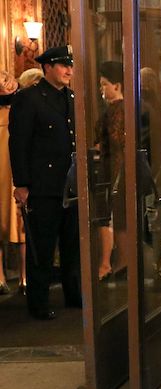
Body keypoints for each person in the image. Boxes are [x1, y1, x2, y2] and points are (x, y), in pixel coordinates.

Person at [9, 45, 82, 320]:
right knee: (42, 245)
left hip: (70, 183)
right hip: (43, 185)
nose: (69, 71)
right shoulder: (29, 99)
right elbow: (19, 144)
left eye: (70, 65)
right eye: (63, 65)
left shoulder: (72, 97)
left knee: (72, 244)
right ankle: (38, 302)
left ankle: (73, 294)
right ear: (47, 67)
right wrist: (22, 184)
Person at [94, 61, 126, 281]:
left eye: (104, 84)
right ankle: (116, 263)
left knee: (107, 218)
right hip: (113, 168)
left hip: (113, 169)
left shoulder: (117, 110)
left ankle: (106, 264)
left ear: (117, 85)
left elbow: (117, 142)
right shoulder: (116, 109)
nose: (101, 89)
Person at [0, 70, 21, 295]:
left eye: (7, 80)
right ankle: (0, 276)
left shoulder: (21, 106)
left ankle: (25, 277)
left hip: (16, 169)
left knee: (19, 223)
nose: (5, 84)